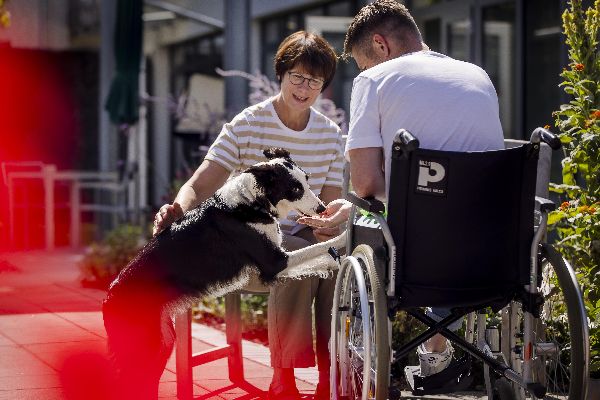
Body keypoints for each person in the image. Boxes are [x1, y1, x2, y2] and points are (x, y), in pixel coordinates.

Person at [299, 0, 504, 378]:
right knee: (445, 222)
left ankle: (367, 359)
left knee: (376, 230)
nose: (364, 72)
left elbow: (366, 185)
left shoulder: (374, 81)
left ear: (381, 44)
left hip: (420, 255)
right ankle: (437, 356)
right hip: (493, 249)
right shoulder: (477, 75)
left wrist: (355, 208)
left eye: (363, 63)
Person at [153, 31, 343, 400]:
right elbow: (202, 182)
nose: (304, 88)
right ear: (281, 74)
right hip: (243, 246)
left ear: (324, 86)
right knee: (298, 260)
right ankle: (283, 380)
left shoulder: (330, 135)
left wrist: (327, 227)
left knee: (334, 261)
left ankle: (330, 377)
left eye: (314, 81)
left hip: (297, 238)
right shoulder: (249, 123)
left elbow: (330, 203)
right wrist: (177, 208)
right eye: (297, 77)